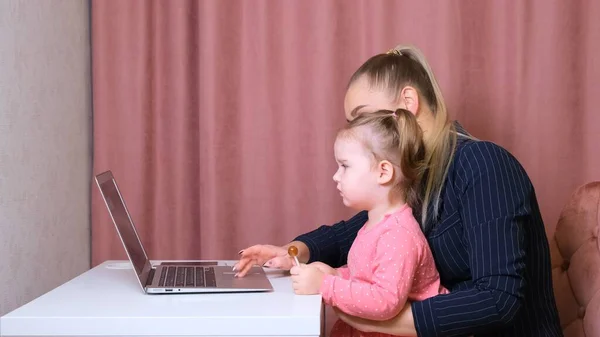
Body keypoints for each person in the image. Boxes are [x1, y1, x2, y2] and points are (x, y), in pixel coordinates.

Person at [233, 45, 562, 337]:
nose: (361, 133)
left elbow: (497, 299)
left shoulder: (483, 164)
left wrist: (375, 320)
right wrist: (292, 252)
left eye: (365, 118)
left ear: (408, 101)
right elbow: (353, 233)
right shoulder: (417, 177)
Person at [290, 109, 448, 337]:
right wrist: (334, 274)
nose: (336, 176)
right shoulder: (375, 225)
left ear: (383, 172)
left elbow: (385, 302)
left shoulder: (399, 235)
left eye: (345, 166)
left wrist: (325, 285)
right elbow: (366, 278)